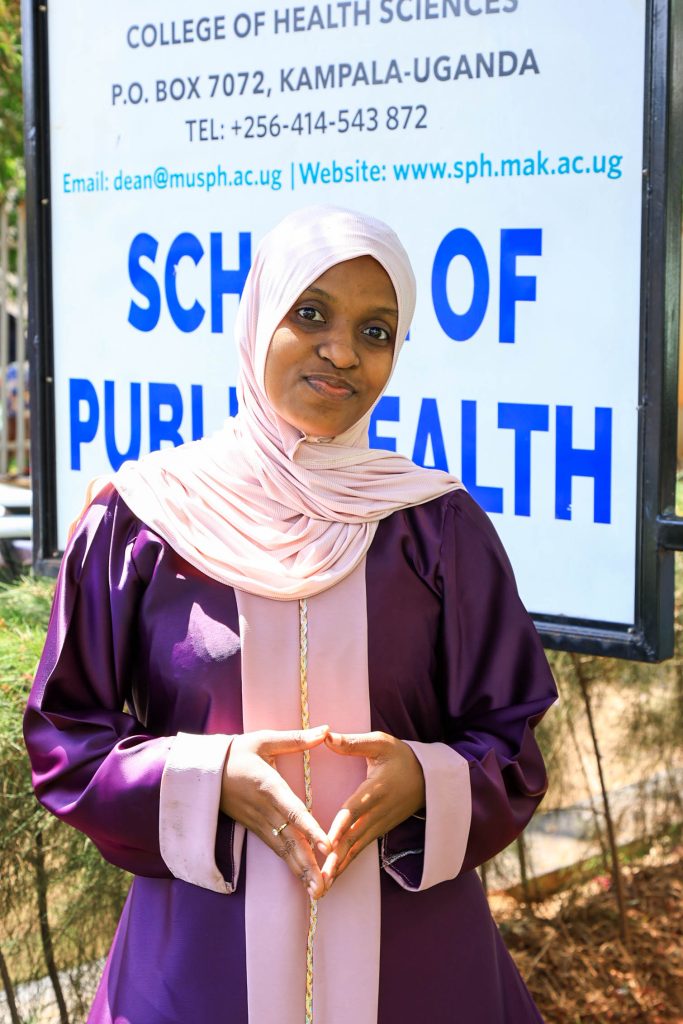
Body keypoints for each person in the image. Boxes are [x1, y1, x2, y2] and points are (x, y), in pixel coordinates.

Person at [24, 205, 557, 1024]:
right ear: (258, 318)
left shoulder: (436, 527)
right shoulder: (145, 521)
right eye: (310, 314)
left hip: (416, 963)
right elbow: (66, 735)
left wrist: (425, 778)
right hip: (197, 964)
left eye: (375, 331)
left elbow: (510, 736)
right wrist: (206, 778)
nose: (341, 351)